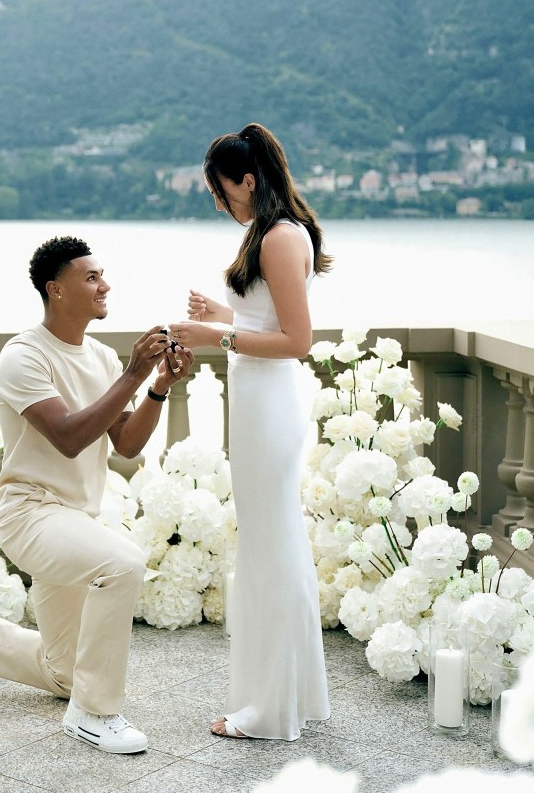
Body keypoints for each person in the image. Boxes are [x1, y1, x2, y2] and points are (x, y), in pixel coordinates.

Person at [0, 235, 193, 754]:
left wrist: (157, 387)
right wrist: (133, 373)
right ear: (55, 289)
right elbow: (67, 438)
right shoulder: (24, 356)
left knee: (64, 673)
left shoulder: (103, 356)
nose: (104, 284)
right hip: (31, 514)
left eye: (103, 275)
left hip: (74, 522)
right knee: (125, 563)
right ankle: (95, 713)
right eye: (91, 277)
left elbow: (126, 444)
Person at [169, 123, 332, 741]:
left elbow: (297, 341)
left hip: (271, 402)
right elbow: (269, 318)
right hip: (260, 400)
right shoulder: (270, 235)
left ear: (248, 179)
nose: (218, 202)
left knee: (271, 548)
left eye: (221, 190)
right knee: (271, 543)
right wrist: (227, 315)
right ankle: (295, 696)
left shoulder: (282, 238)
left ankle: (269, 711)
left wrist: (218, 335)